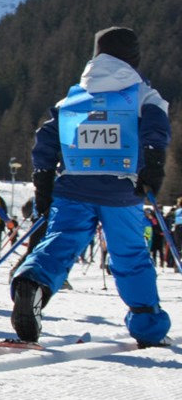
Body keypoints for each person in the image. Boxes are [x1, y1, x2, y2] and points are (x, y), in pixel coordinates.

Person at [10, 27, 171, 345]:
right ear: (133, 57)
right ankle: (147, 325)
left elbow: (46, 140)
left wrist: (43, 183)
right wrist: (153, 169)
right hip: (121, 190)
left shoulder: (73, 97)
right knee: (129, 255)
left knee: (60, 242)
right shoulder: (142, 95)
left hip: (73, 186)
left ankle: (32, 283)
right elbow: (156, 132)